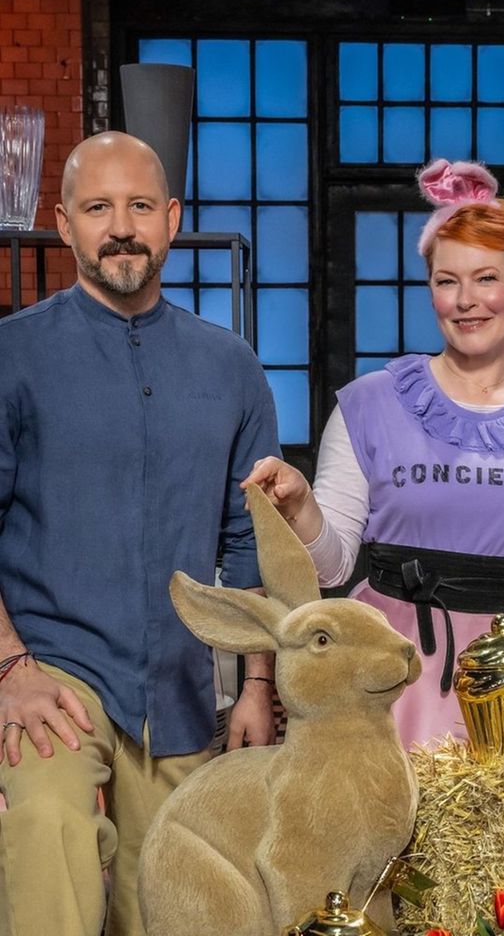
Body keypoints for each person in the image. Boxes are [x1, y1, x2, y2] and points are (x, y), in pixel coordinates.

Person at [0, 132, 282, 936]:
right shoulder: (12, 355)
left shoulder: (231, 366)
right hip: (54, 676)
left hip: (180, 692)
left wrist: (257, 685)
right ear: (64, 224)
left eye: (139, 206)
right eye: (98, 208)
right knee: (47, 827)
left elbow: (249, 541)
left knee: (181, 901)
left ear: (172, 218)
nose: (121, 227)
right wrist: (10, 669)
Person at [244, 158, 504, 748]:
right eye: (447, 282)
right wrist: (300, 508)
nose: (466, 300)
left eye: (486, 278)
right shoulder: (369, 406)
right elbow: (333, 567)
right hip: (393, 674)